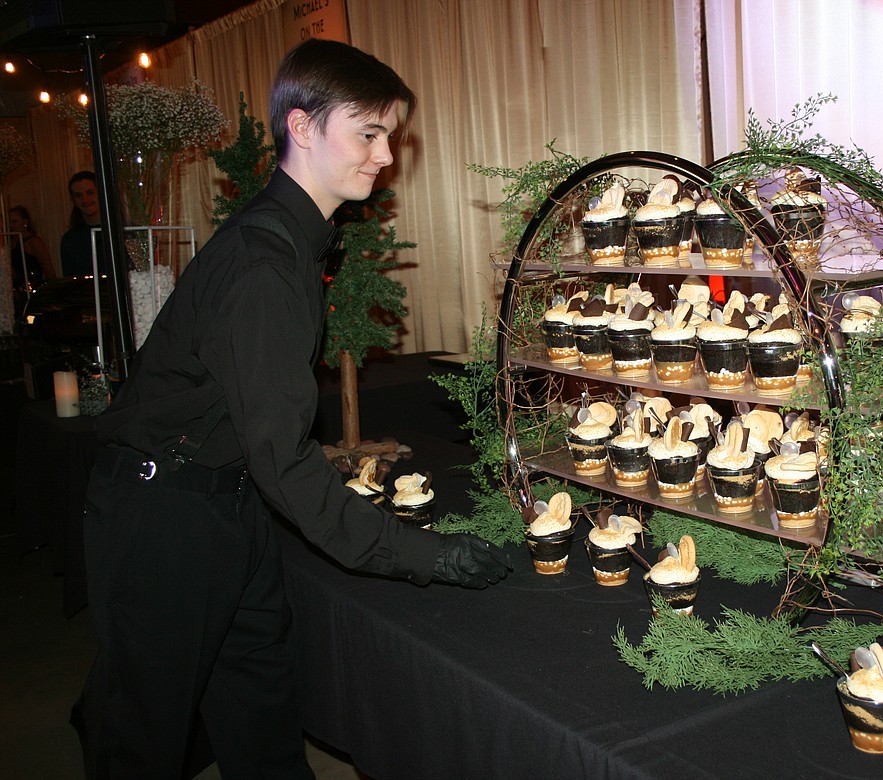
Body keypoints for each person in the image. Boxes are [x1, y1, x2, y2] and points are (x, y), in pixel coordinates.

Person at [77, 39, 511, 778]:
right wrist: (422, 554)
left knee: (261, 719)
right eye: (367, 133)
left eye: (391, 137)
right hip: (164, 516)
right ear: (302, 127)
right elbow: (281, 456)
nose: (385, 156)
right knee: (141, 741)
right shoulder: (265, 263)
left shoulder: (290, 243)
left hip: (220, 504)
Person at [59, 170, 104, 276]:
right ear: (73, 200)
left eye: (90, 193)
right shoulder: (70, 240)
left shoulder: (124, 232)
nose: (85, 199)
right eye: (78, 195)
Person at [7, 205, 53, 301]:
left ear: (25, 222)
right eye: (9, 223)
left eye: (14, 222)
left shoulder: (34, 242)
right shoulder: (11, 243)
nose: (11, 226)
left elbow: (49, 270)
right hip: (18, 292)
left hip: (35, 290)